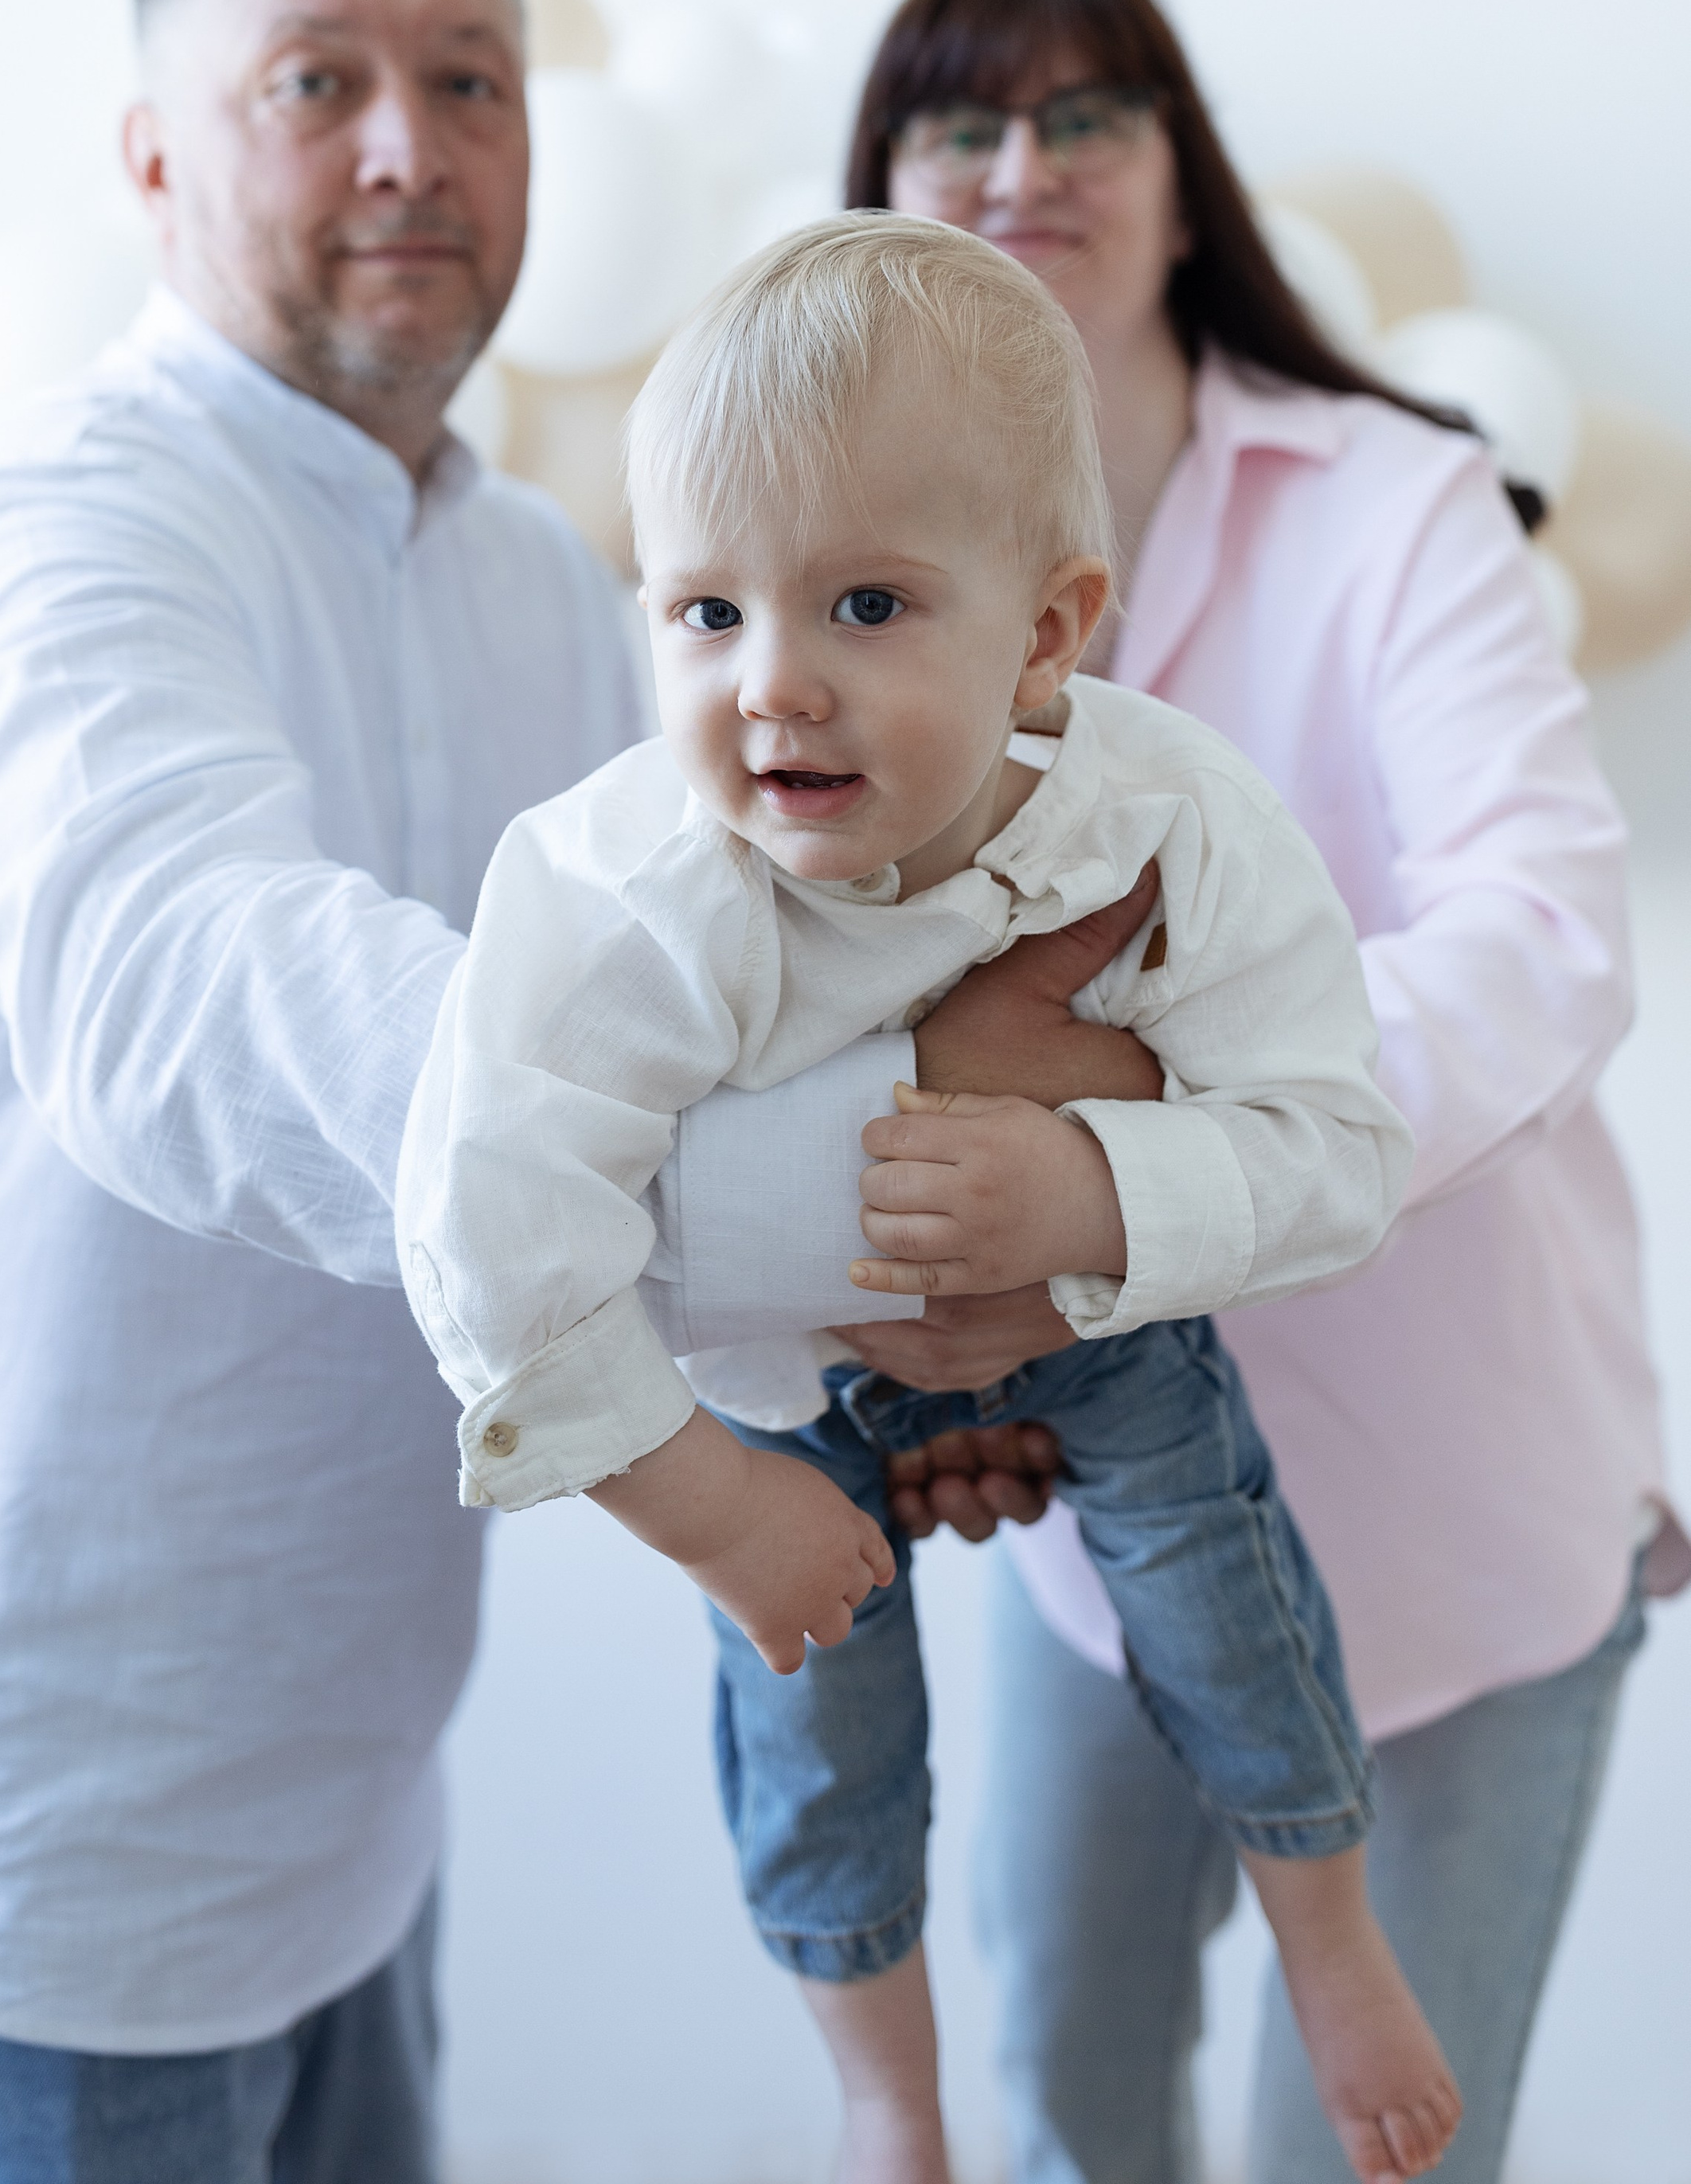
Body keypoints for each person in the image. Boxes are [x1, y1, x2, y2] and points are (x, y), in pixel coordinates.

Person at [0, 0, 1087, 2184]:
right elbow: (215, 1007)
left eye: (471, 79)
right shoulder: (29, 543)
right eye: (315, 80)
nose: (406, 146)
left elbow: (716, 1035)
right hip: (14, 1874)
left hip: (344, 1818)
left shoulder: (546, 583)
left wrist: (860, 1389)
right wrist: (884, 1236)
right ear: (152, 162)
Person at [396, 214, 1461, 2184]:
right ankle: (883, 2089)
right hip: (777, 1400)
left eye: (864, 607)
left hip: (1087, 1332)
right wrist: (709, 1508)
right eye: (700, 613)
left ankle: (1323, 1931)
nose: (769, 688)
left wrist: (1077, 1189)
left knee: (1218, 1577)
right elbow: (492, 1219)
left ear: (1048, 631)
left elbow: (1337, 1150)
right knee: (812, 1728)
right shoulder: (627, 886)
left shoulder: (1167, 822)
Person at [821, 0, 1684, 2184]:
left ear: (1183, 186)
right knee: (1067, 2108)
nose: (1026, 170)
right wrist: (932, 1371)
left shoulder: (1400, 505)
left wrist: (1130, 1179)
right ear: (886, 200)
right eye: (962, 127)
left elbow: (1539, 936)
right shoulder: (846, 585)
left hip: (1467, 1539)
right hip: (1101, 1539)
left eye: (1089, 118)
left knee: (1372, 2159)